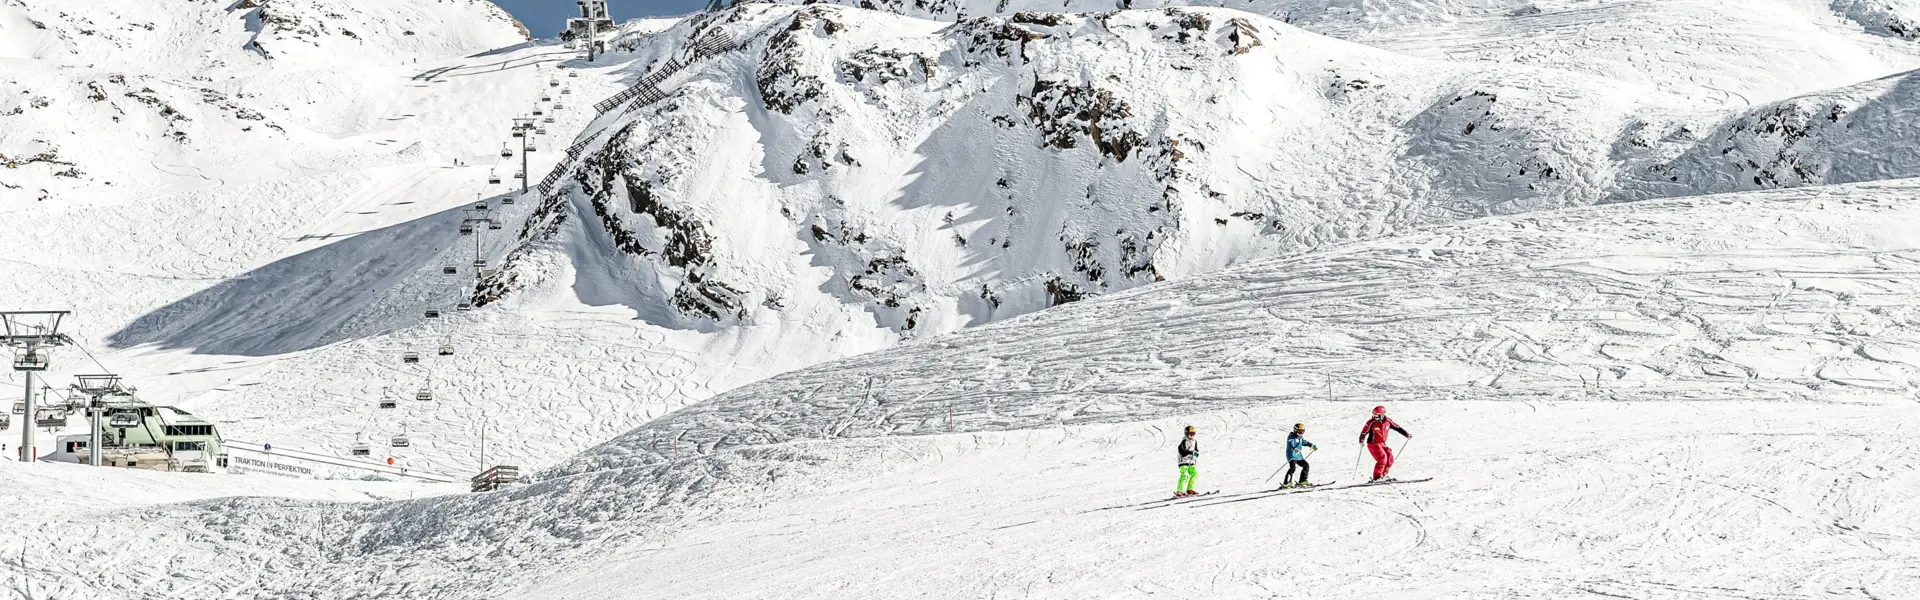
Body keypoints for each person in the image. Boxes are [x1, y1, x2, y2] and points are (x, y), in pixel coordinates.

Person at [1358, 406, 1411, 482]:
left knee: (1390, 457)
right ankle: (1377, 477)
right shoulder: (1371, 422)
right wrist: (1361, 440)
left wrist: (1406, 434)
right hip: (1373, 444)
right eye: (1374, 415)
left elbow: (1398, 428)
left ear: (1382, 415)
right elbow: (1363, 432)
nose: (1375, 417)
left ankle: (1383, 475)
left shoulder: (1388, 421)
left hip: (1382, 444)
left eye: (1377, 416)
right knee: (1382, 458)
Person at [1283, 423, 1317, 488]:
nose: (1300, 434)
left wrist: (1311, 445)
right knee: (1292, 468)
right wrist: (1295, 449)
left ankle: (1303, 480)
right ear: (1295, 431)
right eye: (1299, 432)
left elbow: (1304, 442)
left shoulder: (1300, 438)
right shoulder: (1291, 436)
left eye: (1302, 432)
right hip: (1292, 456)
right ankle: (1287, 482)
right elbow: (1291, 444)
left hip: (1298, 456)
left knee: (1306, 465)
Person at [1175, 425, 1200, 497]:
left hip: (1190, 461)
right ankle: (1179, 491)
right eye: (1191, 434)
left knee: (1194, 473)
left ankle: (1189, 489)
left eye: (1193, 434)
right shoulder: (1184, 441)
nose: (1192, 435)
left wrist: (1196, 454)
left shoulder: (1194, 441)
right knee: (1184, 475)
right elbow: (1182, 451)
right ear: (1186, 433)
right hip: (1183, 462)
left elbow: (1196, 450)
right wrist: (1190, 453)